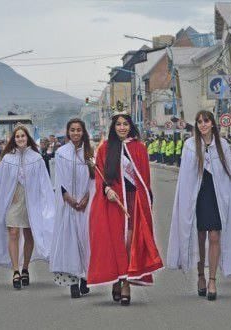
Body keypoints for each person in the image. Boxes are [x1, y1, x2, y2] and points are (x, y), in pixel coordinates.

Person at [167, 110, 231, 301]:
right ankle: (201, 275)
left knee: (215, 235)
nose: (203, 124)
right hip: (198, 196)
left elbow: (230, 175)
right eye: (199, 121)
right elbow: (186, 178)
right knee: (200, 236)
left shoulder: (223, 145)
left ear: (212, 123)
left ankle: (212, 279)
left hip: (217, 196)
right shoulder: (189, 146)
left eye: (206, 121)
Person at [87, 111, 163, 306]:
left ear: (130, 126)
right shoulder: (105, 148)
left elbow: (144, 180)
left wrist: (146, 201)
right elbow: (101, 177)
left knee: (130, 241)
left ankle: (125, 282)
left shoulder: (139, 148)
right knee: (116, 242)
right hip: (114, 202)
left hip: (133, 201)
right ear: (113, 127)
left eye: (125, 124)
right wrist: (106, 190)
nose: (122, 127)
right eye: (118, 124)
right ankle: (118, 278)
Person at [0, 125, 56, 289]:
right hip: (13, 201)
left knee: (28, 234)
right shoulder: (7, 159)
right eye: (17, 136)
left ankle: (25, 267)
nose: (20, 139)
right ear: (14, 139)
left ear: (27, 138)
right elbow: (0, 183)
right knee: (13, 232)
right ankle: (15, 271)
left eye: (23, 136)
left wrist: (45, 201)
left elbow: (44, 183)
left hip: (31, 201)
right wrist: (5, 196)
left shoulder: (36, 158)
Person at [50, 119, 94, 298]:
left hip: (86, 205)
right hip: (68, 204)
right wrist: (68, 198)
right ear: (68, 132)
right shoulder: (61, 153)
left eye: (79, 130)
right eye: (72, 130)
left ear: (83, 132)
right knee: (71, 243)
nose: (76, 133)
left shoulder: (90, 154)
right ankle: (74, 281)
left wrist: (85, 198)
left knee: (86, 241)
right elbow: (58, 179)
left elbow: (94, 180)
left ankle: (85, 277)